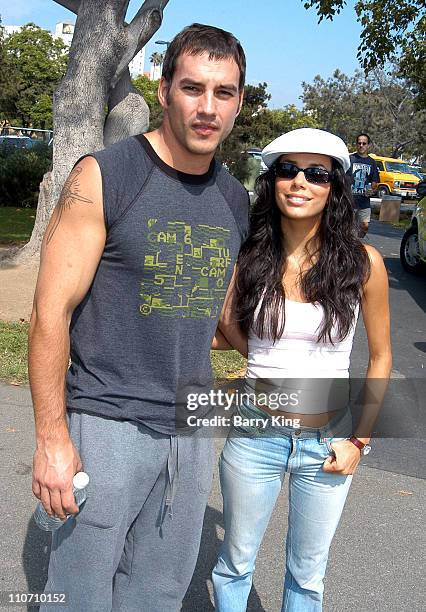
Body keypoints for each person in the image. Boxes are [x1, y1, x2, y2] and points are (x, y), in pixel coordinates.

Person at [29, 23, 249, 612]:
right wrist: (53, 438)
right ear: (163, 90)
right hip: (107, 422)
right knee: (77, 593)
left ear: (239, 102)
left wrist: (301, 344)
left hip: (190, 428)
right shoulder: (105, 175)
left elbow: (223, 315)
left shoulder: (234, 198)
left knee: (157, 592)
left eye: (223, 93)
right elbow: (50, 312)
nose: (207, 108)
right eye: (192, 88)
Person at [211, 128, 392, 611]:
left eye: (316, 174)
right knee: (235, 562)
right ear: (273, 181)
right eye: (288, 170)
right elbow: (225, 322)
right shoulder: (249, 257)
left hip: (328, 439)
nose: (299, 183)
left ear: (334, 188)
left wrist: (360, 440)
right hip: (254, 434)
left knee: (307, 577)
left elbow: (381, 358)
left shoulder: (364, 264)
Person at [350, 132, 379, 237]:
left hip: (364, 201)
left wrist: (373, 189)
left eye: (364, 143)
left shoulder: (372, 162)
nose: (361, 145)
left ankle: (357, 241)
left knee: (365, 226)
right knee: (348, 227)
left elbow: (375, 181)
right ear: (356, 144)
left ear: (368, 145)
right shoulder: (350, 159)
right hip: (350, 200)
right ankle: (351, 245)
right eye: (359, 143)